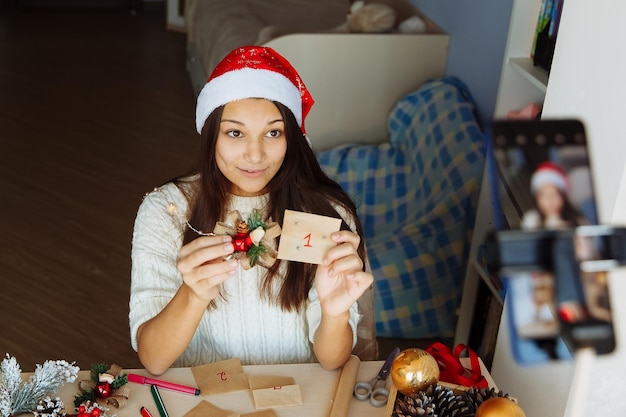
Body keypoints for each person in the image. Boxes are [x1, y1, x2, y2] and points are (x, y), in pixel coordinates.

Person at [129, 46, 377, 376]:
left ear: (292, 136)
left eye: (273, 132)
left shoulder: (325, 214)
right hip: (201, 400)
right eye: (235, 132)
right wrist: (192, 295)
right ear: (211, 136)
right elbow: (153, 359)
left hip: (300, 398)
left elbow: (332, 360)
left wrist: (334, 314)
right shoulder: (165, 211)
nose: (255, 155)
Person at [521, 161, 588, 229]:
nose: (550, 200)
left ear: (563, 197)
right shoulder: (532, 220)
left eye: (555, 194)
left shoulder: (578, 220)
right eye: (544, 195)